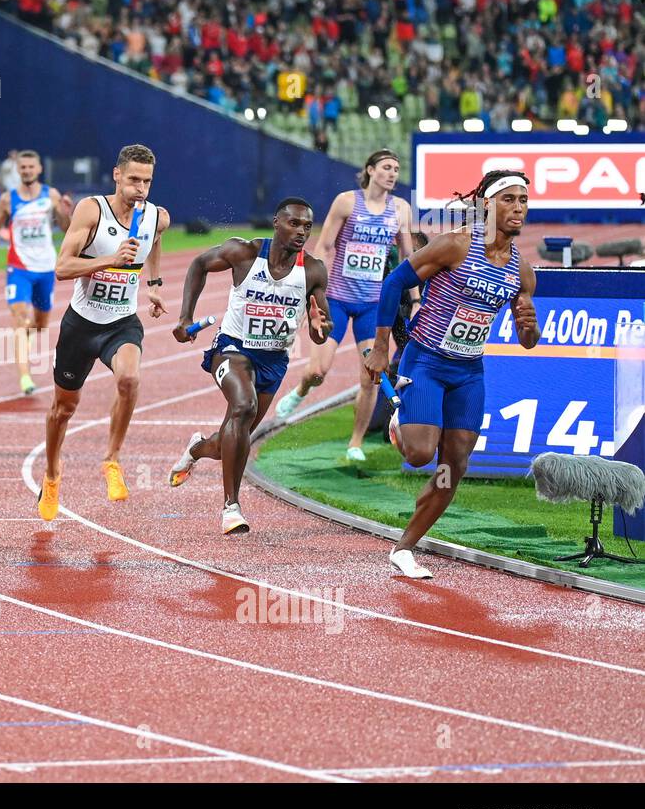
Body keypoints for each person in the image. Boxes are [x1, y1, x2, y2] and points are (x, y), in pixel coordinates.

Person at [363, 170, 539, 579]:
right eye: (509, 199)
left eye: (523, 200)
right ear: (487, 204)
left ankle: (405, 547)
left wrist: (528, 326)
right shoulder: (457, 245)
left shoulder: (522, 271)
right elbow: (395, 282)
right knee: (420, 454)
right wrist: (380, 346)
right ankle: (400, 423)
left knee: (453, 466)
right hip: (425, 360)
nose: (517, 207)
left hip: (468, 372)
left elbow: (527, 339)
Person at [168, 200, 333, 534]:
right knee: (243, 407)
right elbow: (199, 264)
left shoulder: (313, 270)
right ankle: (231, 507)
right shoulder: (244, 253)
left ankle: (198, 448)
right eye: (293, 224)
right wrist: (185, 316)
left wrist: (320, 328)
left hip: (274, 361)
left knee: (233, 436)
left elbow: (319, 334)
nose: (301, 232)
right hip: (232, 347)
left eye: (306, 226)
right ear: (276, 223)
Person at [37, 143, 168, 520]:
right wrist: (110, 259)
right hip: (81, 324)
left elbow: (154, 240)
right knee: (63, 409)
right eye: (133, 180)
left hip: (121, 322)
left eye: (146, 182)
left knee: (129, 379)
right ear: (116, 175)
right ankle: (51, 475)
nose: (140, 188)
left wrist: (154, 284)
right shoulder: (92, 210)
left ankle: (111, 459)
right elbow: (62, 268)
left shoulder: (157, 217)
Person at [274, 149, 419, 463]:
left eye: (396, 168)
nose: (392, 173)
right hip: (337, 299)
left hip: (372, 306)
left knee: (371, 377)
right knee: (318, 370)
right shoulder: (347, 202)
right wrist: (315, 286)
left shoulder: (401, 209)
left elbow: (409, 259)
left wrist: (417, 298)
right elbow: (324, 245)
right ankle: (300, 390)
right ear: (370, 170)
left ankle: (355, 443)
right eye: (386, 167)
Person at [0, 150, 74, 395]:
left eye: (32, 167)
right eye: (23, 168)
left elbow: (65, 228)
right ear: (18, 170)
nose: (27, 171)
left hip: (44, 267)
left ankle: (27, 336)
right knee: (19, 318)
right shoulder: (8, 199)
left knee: (41, 325)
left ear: (39, 169)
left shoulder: (50, 194)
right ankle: (25, 377)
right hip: (18, 267)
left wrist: (65, 211)